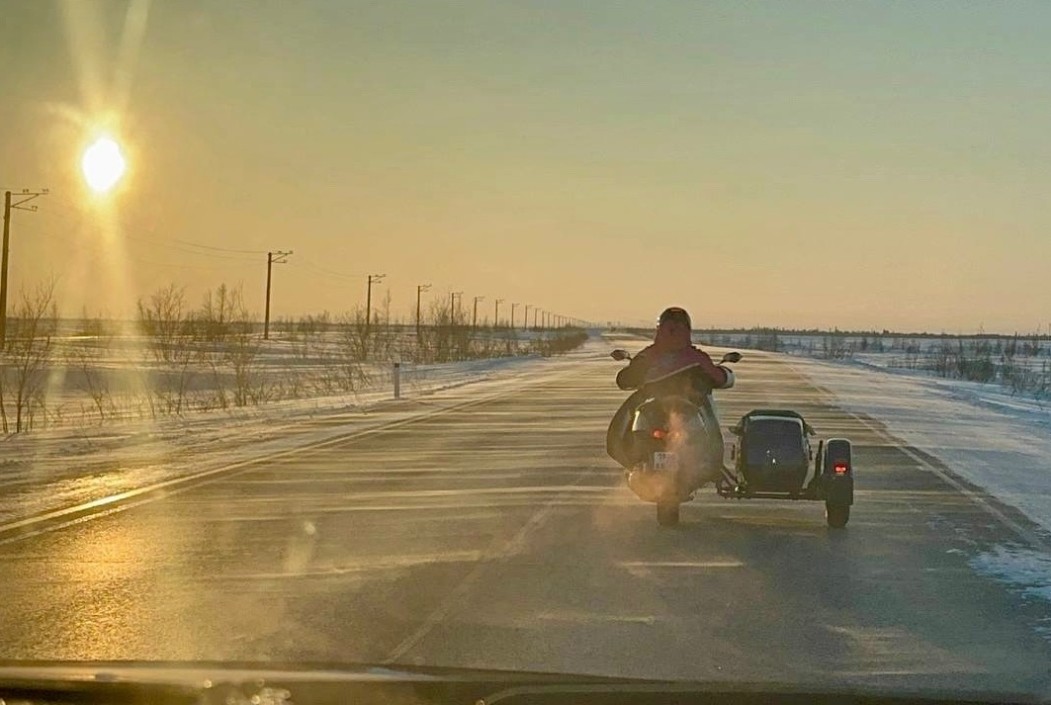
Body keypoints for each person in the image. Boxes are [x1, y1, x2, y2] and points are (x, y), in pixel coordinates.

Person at [606, 307, 734, 476]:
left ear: (658, 330)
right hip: (686, 411)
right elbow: (720, 378)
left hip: (654, 409)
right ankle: (702, 466)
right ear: (688, 330)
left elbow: (625, 380)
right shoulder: (696, 357)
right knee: (712, 439)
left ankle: (637, 465)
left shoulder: (648, 356)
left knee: (619, 433)